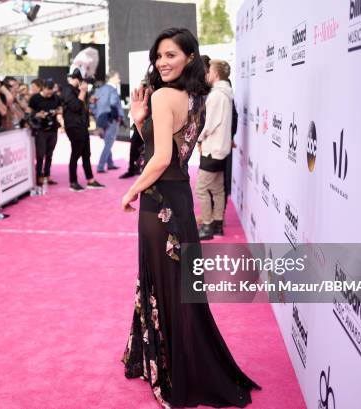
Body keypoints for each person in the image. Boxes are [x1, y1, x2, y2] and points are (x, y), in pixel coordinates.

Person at [120, 28, 260, 408]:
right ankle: (173, 361)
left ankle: (172, 369)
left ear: (189, 57)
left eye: (171, 55)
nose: (162, 62)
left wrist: (131, 190)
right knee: (179, 287)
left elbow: (162, 157)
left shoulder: (166, 95)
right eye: (158, 56)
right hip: (179, 200)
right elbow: (167, 146)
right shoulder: (197, 96)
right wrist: (138, 119)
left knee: (162, 280)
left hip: (159, 201)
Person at [196, 59, 234, 240]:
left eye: (209, 71)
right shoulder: (225, 94)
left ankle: (208, 226)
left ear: (216, 73)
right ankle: (218, 224)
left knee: (201, 189)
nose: (207, 74)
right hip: (221, 149)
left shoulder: (217, 95)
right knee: (218, 189)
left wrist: (197, 138)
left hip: (212, 149)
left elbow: (207, 124)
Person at [61, 68, 104, 192]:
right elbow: (74, 106)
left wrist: (89, 99)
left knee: (86, 154)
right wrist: (83, 92)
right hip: (74, 126)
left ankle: (90, 180)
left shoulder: (76, 90)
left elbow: (81, 105)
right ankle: (73, 182)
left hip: (82, 125)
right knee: (75, 154)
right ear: (77, 80)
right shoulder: (67, 90)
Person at [29, 80, 61, 185]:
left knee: (49, 154)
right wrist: (37, 114)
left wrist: (58, 111)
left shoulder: (55, 98)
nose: (49, 94)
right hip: (40, 129)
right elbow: (29, 113)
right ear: (43, 88)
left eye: (51, 92)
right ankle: (39, 176)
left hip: (53, 128)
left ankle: (47, 175)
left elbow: (60, 107)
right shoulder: (35, 98)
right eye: (48, 91)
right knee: (40, 155)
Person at [92, 70, 124, 173]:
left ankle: (110, 164)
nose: (119, 80)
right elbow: (114, 104)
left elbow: (92, 104)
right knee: (109, 143)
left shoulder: (100, 90)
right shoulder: (112, 90)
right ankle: (100, 166)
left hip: (100, 119)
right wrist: (120, 117)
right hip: (111, 119)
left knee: (107, 142)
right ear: (112, 78)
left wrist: (97, 115)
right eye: (118, 77)